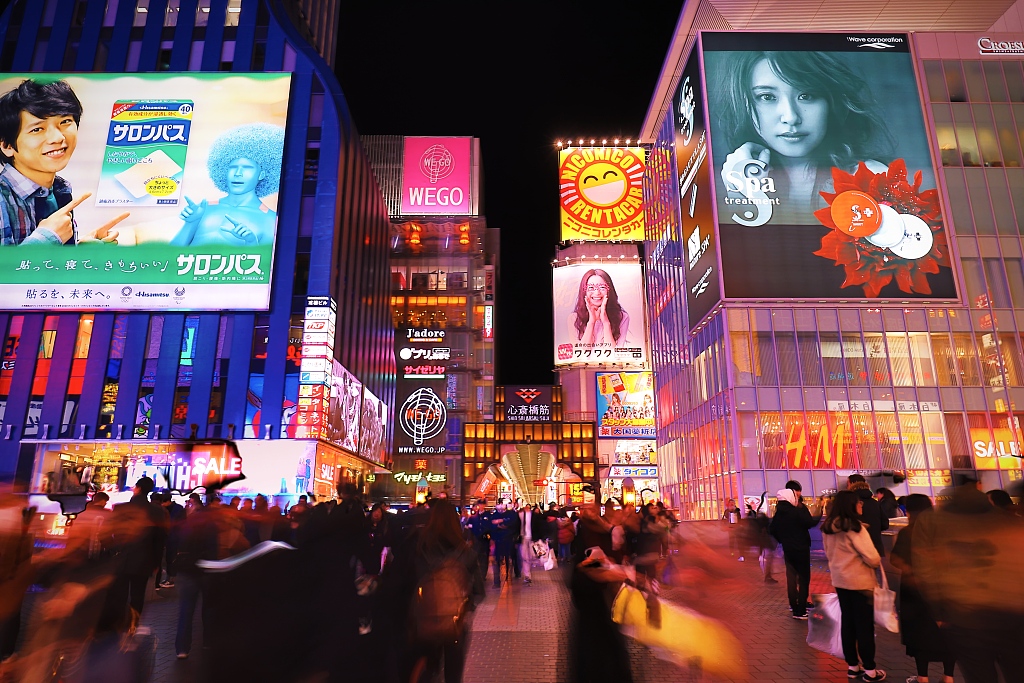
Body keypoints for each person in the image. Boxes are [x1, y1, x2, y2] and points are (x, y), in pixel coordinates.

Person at [715, 50, 891, 225]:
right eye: (767, 97)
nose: (791, 117)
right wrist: (743, 196)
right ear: (742, 104)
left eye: (806, 95)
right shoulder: (723, 189)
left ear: (831, 102)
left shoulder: (871, 178)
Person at [913, 479, 1024, 683]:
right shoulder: (1008, 522)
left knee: (979, 674)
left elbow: (926, 571)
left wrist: (939, 610)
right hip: (1012, 615)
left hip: (965, 616)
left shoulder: (935, 523)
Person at [0, 78, 127, 246]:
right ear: (7, 145)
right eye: (37, 129)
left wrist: (79, 252)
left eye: (65, 122)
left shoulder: (59, 190)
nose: (58, 138)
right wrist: (47, 238)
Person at [403, 498, 483, 683]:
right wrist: (464, 608)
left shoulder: (420, 548)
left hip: (425, 621)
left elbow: (409, 584)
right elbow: (479, 591)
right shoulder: (466, 552)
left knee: (428, 669)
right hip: (455, 624)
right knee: (453, 673)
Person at [170, 122, 284, 246]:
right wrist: (191, 223)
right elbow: (171, 255)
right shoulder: (203, 208)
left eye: (247, 168)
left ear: (261, 175)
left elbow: (268, 263)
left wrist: (251, 243)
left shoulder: (270, 219)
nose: (238, 173)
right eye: (233, 167)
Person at [889, 494, 954, 683]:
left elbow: (895, 559)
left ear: (909, 511)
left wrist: (910, 567)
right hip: (943, 589)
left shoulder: (908, 532)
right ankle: (948, 676)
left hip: (914, 590)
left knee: (920, 633)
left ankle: (922, 677)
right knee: (947, 633)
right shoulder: (944, 532)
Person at [822, 489, 886, 682]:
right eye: (859, 503)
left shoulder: (828, 528)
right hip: (860, 583)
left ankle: (852, 666)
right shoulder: (855, 528)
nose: (862, 505)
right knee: (864, 627)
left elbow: (827, 554)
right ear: (851, 505)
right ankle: (870, 670)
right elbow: (873, 558)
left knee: (848, 624)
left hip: (840, 582)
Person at [769, 481, 820, 619]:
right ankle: (801, 610)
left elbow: (772, 529)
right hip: (801, 548)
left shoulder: (779, 512)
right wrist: (819, 513)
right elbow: (810, 522)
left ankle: (794, 605)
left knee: (791, 577)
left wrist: (782, 539)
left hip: (788, 549)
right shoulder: (796, 511)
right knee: (803, 578)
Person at [567, 268, 631, 348]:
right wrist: (591, 322)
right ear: (584, 291)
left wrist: (606, 322)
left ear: (609, 290)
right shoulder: (574, 318)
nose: (597, 293)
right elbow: (580, 353)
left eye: (602, 287)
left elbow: (614, 353)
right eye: (591, 288)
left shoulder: (622, 317)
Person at [849, 474, 889, 561]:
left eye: (848, 484)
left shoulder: (851, 503)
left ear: (852, 484)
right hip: (875, 546)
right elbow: (885, 524)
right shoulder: (875, 503)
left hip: (857, 548)